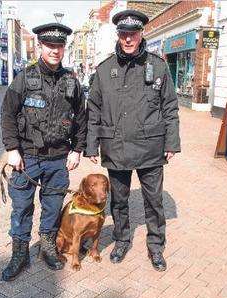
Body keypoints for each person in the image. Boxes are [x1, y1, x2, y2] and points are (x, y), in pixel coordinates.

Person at [85, 10, 181, 272]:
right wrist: (91, 144)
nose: (128, 39)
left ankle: (156, 246)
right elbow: (93, 109)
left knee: (153, 201)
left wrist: (171, 143)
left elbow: (170, 107)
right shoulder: (104, 70)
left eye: (133, 34)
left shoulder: (158, 66)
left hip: (150, 147)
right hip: (116, 146)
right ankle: (121, 239)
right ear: (118, 35)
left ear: (141, 34)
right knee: (118, 200)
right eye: (124, 34)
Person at [0, 22, 87, 281]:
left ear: (64, 48)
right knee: (22, 207)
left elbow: (82, 117)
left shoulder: (72, 81)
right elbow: (7, 114)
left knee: (52, 206)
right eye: (50, 45)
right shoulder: (24, 78)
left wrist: (77, 149)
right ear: (41, 46)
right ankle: (20, 252)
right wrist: (12, 149)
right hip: (27, 158)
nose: (54, 50)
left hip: (59, 158)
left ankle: (48, 245)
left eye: (59, 46)